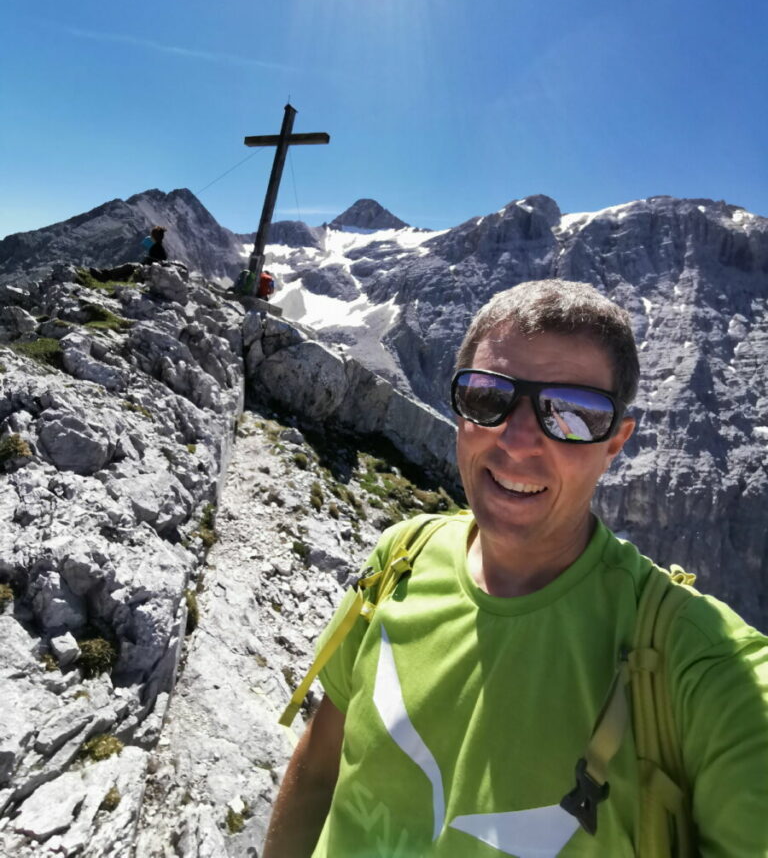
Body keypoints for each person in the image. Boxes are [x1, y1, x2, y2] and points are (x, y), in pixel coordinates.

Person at [263, 279, 768, 857]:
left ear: (616, 442)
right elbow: (321, 763)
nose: (519, 440)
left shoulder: (705, 669)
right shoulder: (400, 556)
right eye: (488, 397)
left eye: (575, 412)